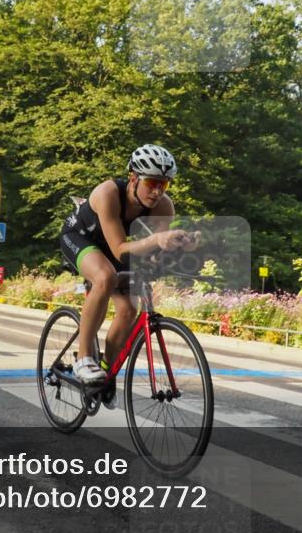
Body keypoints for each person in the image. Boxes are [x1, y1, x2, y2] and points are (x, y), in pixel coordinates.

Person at [60, 144, 199, 393]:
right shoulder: (107, 193)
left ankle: (106, 372)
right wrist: (156, 240)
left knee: (128, 309)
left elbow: (155, 251)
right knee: (104, 277)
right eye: (151, 183)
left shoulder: (164, 207)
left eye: (163, 185)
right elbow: (120, 249)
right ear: (134, 178)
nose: (157, 191)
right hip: (82, 238)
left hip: (119, 248)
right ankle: (83, 358)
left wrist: (181, 246)